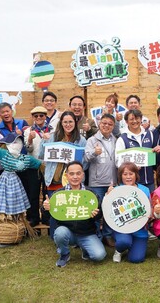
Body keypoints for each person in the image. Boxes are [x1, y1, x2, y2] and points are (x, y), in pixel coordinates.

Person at [43, 161, 106, 267]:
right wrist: (46, 208)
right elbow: (48, 217)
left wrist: (96, 214)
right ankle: (64, 254)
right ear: (66, 175)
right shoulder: (59, 194)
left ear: (83, 175)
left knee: (99, 255)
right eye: (71, 174)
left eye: (78, 173)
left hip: (86, 233)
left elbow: (99, 216)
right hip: (67, 232)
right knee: (59, 233)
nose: (75, 177)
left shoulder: (91, 194)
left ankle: (85, 249)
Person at [41, 111, 87, 237]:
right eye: (65, 122)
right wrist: (43, 142)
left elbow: (84, 163)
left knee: (71, 209)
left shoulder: (81, 140)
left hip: (72, 181)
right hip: (54, 180)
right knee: (55, 208)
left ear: (75, 123)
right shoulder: (53, 137)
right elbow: (41, 154)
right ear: (61, 123)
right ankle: (55, 236)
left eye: (70, 121)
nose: (68, 124)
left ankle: (72, 237)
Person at [84, 113, 118, 247]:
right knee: (96, 210)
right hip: (96, 182)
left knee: (110, 210)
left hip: (112, 182)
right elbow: (86, 158)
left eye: (110, 124)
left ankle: (108, 235)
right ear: (99, 124)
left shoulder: (116, 140)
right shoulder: (92, 140)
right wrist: (94, 152)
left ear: (113, 126)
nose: (106, 126)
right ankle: (97, 235)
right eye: (104, 123)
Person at [109, 162, 150, 263]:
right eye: (125, 174)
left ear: (136, 175)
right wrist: (108, 196)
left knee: (136, 259)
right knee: (124, 241)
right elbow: (109, 211)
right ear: (120, 176)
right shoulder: (116, 190)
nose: (128, 177)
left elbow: (149, 209)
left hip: (140, 230)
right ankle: (119, 250)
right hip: (122, 229)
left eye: (131, 174)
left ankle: (132, 246)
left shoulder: (144, 190)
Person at [23, 106, 52, 226]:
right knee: (33, 193)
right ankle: (34, 217)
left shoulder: (52, 130)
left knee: (47, 192)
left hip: (48, 166)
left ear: (45, 116)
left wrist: (49, 139)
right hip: (33, 166)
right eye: (36, 116)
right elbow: (28, 149)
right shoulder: (28, 131)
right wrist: (29, 139)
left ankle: (46, 217)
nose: (39, 118)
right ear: (33, 117)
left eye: (41, 115)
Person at [115, 109, 155, 192]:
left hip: (149, 181)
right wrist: (132, 168)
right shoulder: (122, 138)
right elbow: (118, 161)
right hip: (132, 183)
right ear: (126, 121)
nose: (135, 121)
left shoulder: (149, 134)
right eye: (131, 119)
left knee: (149, 204)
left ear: (141, 119)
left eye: (137, 118)